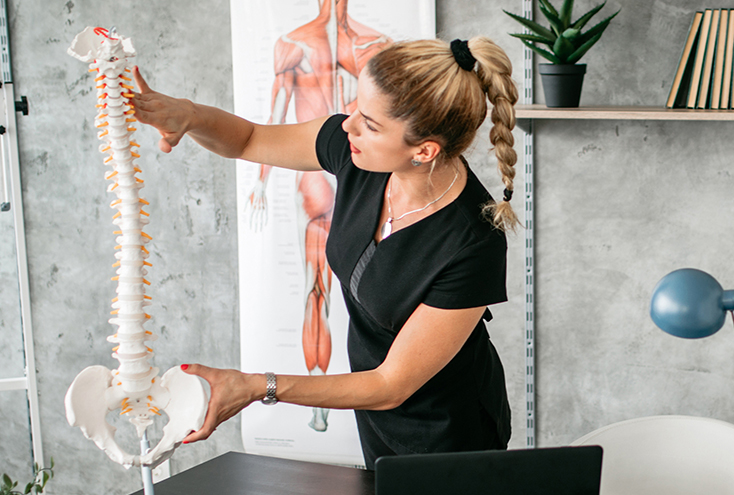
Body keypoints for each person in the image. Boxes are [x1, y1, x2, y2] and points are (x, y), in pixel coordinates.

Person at [130, 34, 519, 469]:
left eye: (370, 124)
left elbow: (391, 384)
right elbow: (248, 139)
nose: (348, 126)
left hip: (449, 436)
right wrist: (191, 115)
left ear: (424, 150)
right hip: (377, 419)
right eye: (356, 109)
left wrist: (259, 386)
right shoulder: (360, 155)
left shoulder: (473, 242)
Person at [244, 0, 392, 433]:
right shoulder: (376, 46)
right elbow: (267, 126)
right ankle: (323, 401)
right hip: (361, 179)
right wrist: (260, 182)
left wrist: (261, 182)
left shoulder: (295, 44)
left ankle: (320, 405)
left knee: (319, 293)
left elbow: (272, 120)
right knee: (340, 294)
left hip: (337, 179)